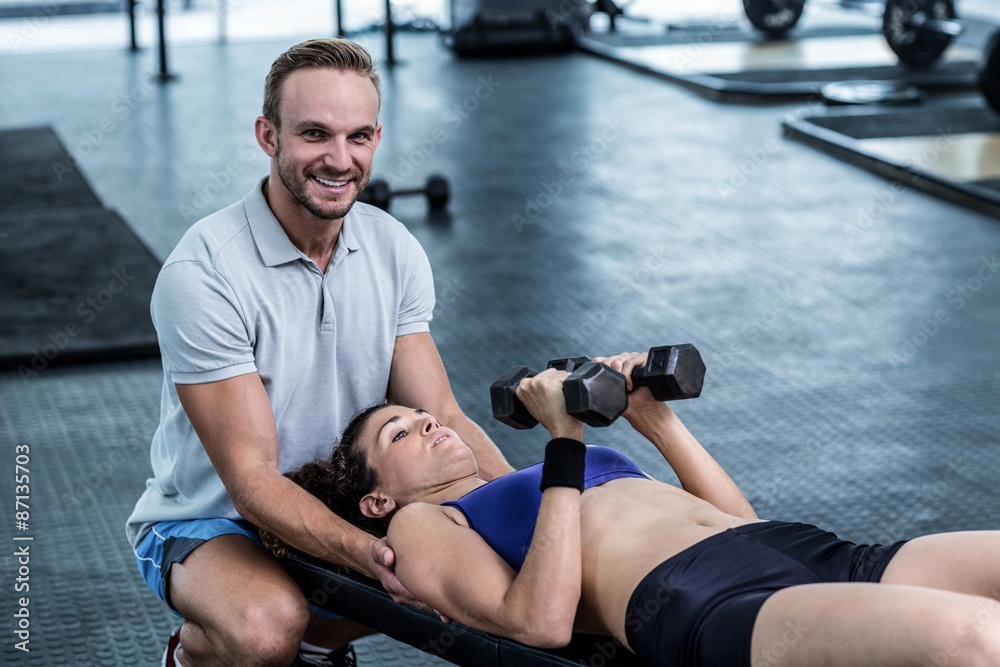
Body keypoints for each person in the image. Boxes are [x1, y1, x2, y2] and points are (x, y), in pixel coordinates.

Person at [126, 38, 512, 667]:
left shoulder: (394, 249)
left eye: (358, 136)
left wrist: (527, 504)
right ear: (267, 136)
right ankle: (199, 654)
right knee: (265, 628)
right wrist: (377, 561)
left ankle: (316, 644)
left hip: (340, 498)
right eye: (314, 134)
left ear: (377, 139)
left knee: (493, 580)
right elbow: (251, 483)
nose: (339, 159)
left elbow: (440, 408)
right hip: (213, 521)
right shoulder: (203, 273)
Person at [272, 352, 1000, 667]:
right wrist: (564, 437)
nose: (431, 421)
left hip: (803, 553)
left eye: (423, 414)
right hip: (709, 602)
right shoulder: (424, 523)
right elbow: (538, 620)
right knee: (978, 636)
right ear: (377, 496)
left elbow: (739, 522)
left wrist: (657, 423)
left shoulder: (542, 478)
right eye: (400, 430)